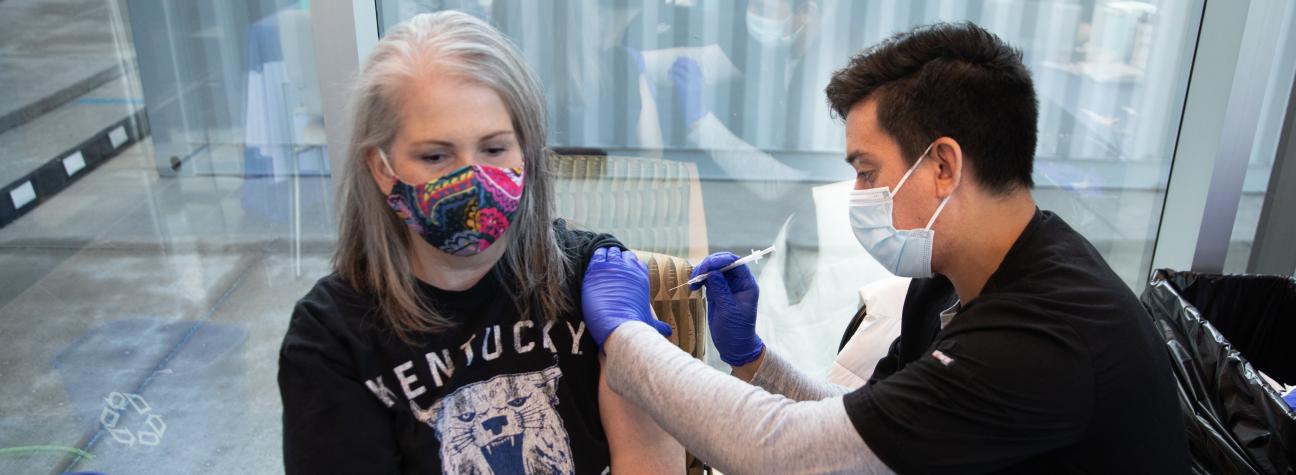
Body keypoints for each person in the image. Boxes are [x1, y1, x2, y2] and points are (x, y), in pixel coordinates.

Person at [579, 22, 1188, 473]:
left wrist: (628, 337)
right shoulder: (952, 277)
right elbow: (869, 426)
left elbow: (791, 454)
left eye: (867, 171)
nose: (858, 193)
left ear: (943, 166)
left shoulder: (1045, 338)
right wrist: (755, 360)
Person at [277, 11, 682, 474]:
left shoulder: (593, 278)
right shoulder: (332, 339)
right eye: (435, 155)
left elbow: (649, 460)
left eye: (493, 149)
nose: (472, 179)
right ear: (381, 168)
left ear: (526, 151)